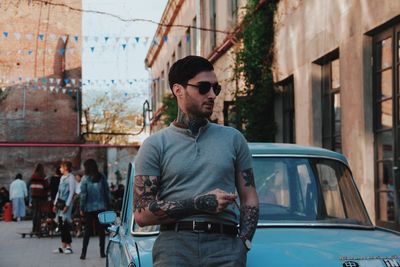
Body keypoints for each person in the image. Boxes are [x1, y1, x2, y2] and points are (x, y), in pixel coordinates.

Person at [133, 55, 259, 266]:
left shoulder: (233, 138)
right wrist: (198, 203)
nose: (211, 95)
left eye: (215, 88)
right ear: (178, 90)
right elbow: (142, 215)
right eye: (203, 88)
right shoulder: (155, 145)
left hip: (226, 247)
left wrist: (243, 243)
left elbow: (249, 198)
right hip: (174, 247)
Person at [79, 159, 110, 260]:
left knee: (87, 231)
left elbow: (83, 195)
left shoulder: (84, 179)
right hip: (101, 207)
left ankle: (83, 253)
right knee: (101, 231)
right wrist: (108, 205)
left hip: (89, 208)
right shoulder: (101, 177)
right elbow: (107, 192)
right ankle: (102, 252)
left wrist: (81, 207)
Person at [53, 161, 75, 254]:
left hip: (66, 204)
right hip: (60, 204)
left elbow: (71, 192)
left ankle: (69, 246)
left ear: (66, 168)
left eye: (61, 167)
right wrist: (55, 204)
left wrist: (67, 205)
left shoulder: (71, 177)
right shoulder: (62, 178)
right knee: (61, 224)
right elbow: (58, 192)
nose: (60, 169)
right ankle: (63, 246)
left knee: (65, 224)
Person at [29, 163, 48, 234]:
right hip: (41, 197)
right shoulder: (43, 176)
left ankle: (34, 228)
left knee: (34, 213)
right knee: (39, 213)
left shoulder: (33, 176)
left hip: (34, 197)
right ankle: (38, 228)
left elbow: (30, 186)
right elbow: (47, 187)